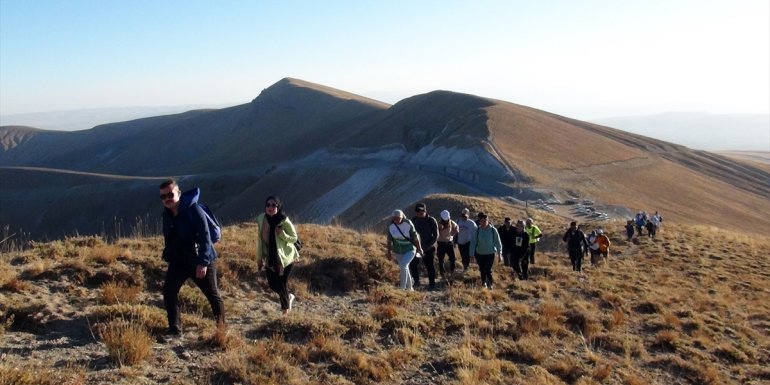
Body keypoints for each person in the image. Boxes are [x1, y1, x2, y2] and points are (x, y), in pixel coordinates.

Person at [159, 179, 225, 337]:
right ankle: (175, 329)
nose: (167, 199)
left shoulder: (193, 210)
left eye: (170, 194)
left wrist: (203, 263)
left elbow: (205, 237)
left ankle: (222, 330)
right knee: (169, 291)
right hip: (179, 261)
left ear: (179, 194)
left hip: (199, 260)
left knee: (212, 294)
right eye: (163, 196)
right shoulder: (166, 214)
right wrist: (169, 254)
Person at [256, 196, 300, 315]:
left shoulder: (283, 220)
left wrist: (282, 234)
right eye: (268, 205)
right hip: (270, 258)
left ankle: (285, 312)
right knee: (272, 284)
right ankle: (289, 297)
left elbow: (294, 238)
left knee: (282, 283)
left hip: (286, 258)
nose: (270, 207)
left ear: (278, 207)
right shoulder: (261, 219)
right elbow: (260, 240)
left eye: (274, 205)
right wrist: (259, 258)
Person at [387, 210, 423, 290]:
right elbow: (389, 240)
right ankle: (410, 288)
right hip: (398, 250)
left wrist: (419, 248)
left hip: (410, 249)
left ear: (402, 216)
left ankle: (402, 288)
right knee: (404, 267)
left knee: (403, 265)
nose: (396, 220)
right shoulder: (391, 225)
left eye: (398, 218)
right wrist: (389, 252)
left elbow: (415, 236)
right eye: (394, 218)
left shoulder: (408, 223)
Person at [469, 213, 503, 289]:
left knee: (487, 269)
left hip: (490, 253)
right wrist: (471, 254)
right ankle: (484, 282)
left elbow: (498, 242)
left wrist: (499, 254)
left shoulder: (493, 230)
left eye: (485, 221)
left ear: (488, 221)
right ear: (479, 221)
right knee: (482, 269)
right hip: (479, 253)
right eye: (481, 221)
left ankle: (490, 284)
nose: (483, 223)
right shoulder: (477, 230)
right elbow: (473, 242)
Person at [410, 203, 439, 290]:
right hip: (416, 248)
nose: (420, 213)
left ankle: (432, 284)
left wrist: (428, 245)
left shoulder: (431, 220)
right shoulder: (414, 220)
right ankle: (416, 282)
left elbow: (436, 235)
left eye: (421, 211)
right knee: (413, 264)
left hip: (428, 248)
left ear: (425, 210)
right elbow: (411, 233)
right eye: (417, 211)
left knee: (429, 266)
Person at [436, 210, 459, 279]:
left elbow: (457, 228)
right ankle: (442, 273)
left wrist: (453, 235)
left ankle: (452, 272)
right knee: (441, 259)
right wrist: (439, 230)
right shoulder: (438, 224)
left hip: (449, 243)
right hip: (441, 243)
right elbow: (435, 233)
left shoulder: (451, 222)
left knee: (452, 258)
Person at [456, 208, 477, 273]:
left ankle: (466, 268)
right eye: (462, 216)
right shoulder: (457, 221)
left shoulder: (471, 223)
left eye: (465, 216)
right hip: (460, 242)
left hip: (468, 242)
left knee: (466, 256)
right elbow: (455, 231)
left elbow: (476, 231)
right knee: (463, 256)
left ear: (468, 215)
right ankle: (465, 266)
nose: (463, 217)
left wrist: (475, 241)